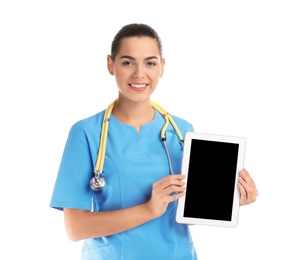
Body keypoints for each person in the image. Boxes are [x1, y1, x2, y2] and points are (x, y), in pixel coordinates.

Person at [49, 23, 258, 260]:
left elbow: (184, 212)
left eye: (150, 62)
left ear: (162, 67)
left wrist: (230, 199)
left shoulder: (182, 131)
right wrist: (148, 209)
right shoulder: (86, 133)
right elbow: (75, 228)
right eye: (128, 62)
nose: (139, 73)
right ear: (110, 64)